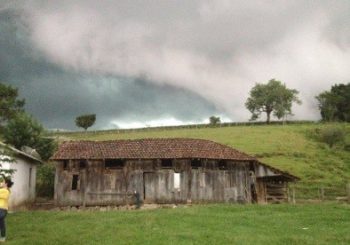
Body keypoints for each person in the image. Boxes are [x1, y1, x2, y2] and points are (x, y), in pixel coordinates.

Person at [0, 178, 13, 243]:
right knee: (2, 224)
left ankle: (3, 237)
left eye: (2, 182)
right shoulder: (4, 190)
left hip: (2, 209)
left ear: (6, 184)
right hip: (2, 210)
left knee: (2, 224)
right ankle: (3, 237)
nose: (1, 183)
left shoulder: (5, 191)